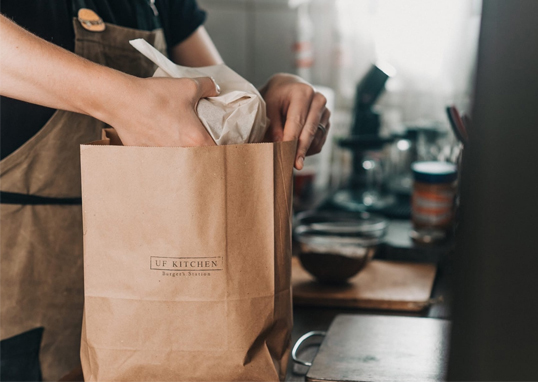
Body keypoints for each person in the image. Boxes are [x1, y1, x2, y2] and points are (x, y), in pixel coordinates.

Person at [0, 1, 330, 380]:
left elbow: (211, 92)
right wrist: (120, 100)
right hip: (24, 284)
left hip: (157, 298)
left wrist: (263, 101)